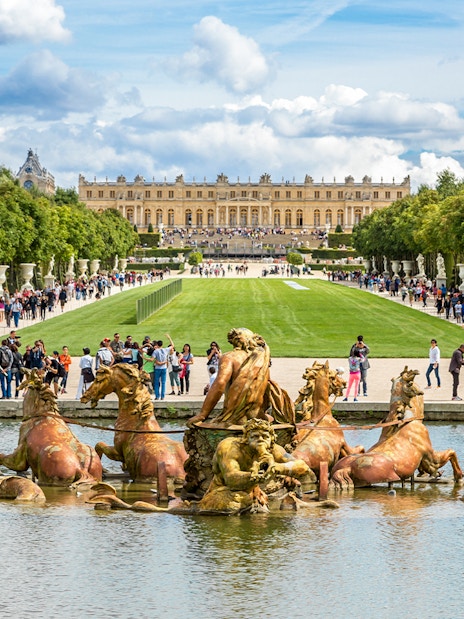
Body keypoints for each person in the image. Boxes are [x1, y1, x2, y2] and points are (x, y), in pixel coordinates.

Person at [187, 327, 293, 427]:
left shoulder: (229, 357)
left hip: (235, 419)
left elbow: (220, 384)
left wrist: (203, 414)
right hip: (258, 418)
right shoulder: (262, 362)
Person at [151, 334, 174, 401]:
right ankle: (162, 396)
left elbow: (152, 359)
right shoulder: (165, 350)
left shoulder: (156, 351)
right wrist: (169, 338)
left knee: (156, 382)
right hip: (164, 368)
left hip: (158, 368)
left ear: (157, 345)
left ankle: (157, 396)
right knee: (163, 383)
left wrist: (145, 358)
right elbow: (172, 345)